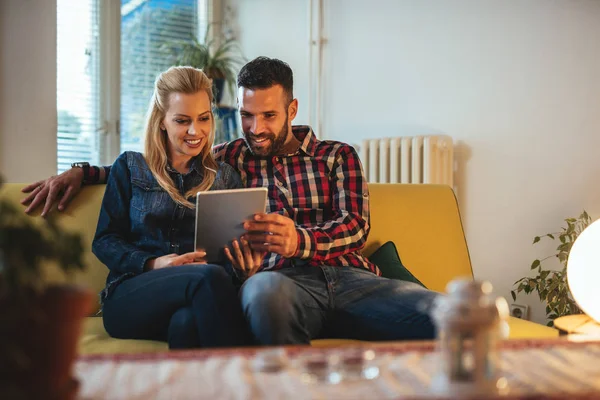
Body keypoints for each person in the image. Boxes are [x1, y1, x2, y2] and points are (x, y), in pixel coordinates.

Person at [23, 57, 439, 345]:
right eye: (246, 115)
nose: (256, 128)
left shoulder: (331, 156)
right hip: (276, 284)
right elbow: (145, 170)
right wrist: (80, 171)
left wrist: (297, 242)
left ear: (292, 109)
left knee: (448, 313)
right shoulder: (221, 160)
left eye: (269, 116)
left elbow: (355, 225)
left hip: (351, 279)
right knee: (250, 292)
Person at [90, 66, 257, 349]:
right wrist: (154, 264)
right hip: (131, 295)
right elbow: (104, 242)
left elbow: (228, 259)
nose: (196, 131)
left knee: (186, 325)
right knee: (207, 277)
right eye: (182, 120)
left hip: (197, 296)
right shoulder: (130, 167)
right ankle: (248, 378)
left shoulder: (225, 177)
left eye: (203, 118)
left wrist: (245, 269)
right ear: (162, 121)